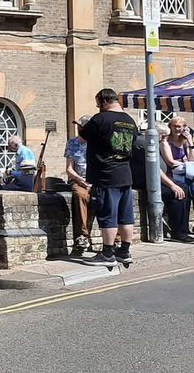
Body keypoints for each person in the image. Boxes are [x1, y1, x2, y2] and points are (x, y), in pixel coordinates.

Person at [79, 88, 137, 268]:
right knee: (126, 217)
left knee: (108, 216)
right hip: (125, 174)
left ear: (104, 101)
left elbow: (83, 136)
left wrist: (83, 126)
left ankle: (107, 253)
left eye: (98, 104)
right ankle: (124, 251)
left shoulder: (100, 118)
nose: (98, 107)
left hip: (106, 175)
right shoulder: (130, 121)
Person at [131, 128, 194, 245]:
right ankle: (178, 232)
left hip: (156, 179)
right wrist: (172, 185)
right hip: (146, 181)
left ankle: (182, 229)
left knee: (184, 187)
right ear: (158, 134)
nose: (164, 139)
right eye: (164, 136)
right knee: (175, 192)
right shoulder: (145, 143)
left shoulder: (153, 142)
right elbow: (155, 169)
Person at [65, 115, 94, 254]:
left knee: (107, 197)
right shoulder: (72, 143)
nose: (78, 128)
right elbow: (69, 169)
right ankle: (82, 235)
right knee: (79, 195)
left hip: (95, 180)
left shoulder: (96, 143)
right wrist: (81, 181)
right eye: (78, 126)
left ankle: (115, 239)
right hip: (79, 180)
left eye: (81, 126)